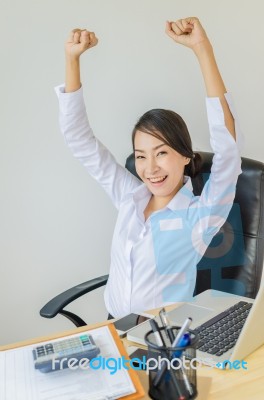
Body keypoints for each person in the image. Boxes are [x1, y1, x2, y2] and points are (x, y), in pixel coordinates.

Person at [55, 17, 243, 318]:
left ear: (185, 155)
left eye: (161, 153)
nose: (150, 167)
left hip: (160, 339)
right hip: (112, 330)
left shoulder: (200, 215)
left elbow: (228, 150)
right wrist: (72, 60)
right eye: (141, 156)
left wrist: (202, 49)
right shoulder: (130, 197)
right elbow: (80, 141)